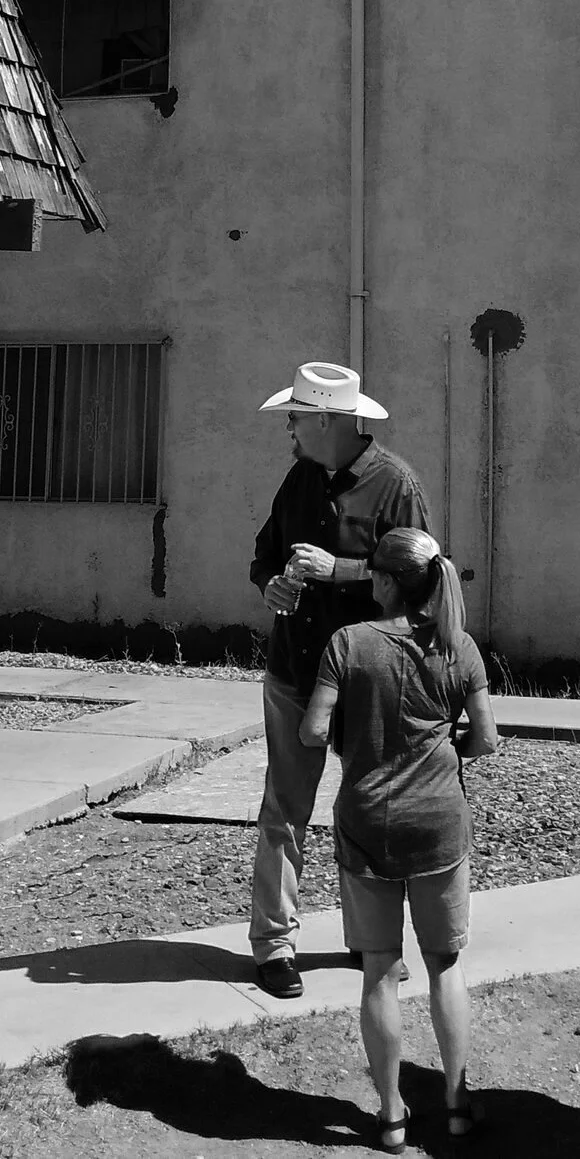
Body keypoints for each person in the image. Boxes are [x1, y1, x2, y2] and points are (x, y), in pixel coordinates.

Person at [302, 528, 496, 1151]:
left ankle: (390, 1116)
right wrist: (445, 750)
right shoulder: (458, 646)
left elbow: (312, 730)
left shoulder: (347, 643)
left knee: (380, 971)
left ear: (383, 582)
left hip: (365, 825)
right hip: (440, 823)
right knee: (445, 966)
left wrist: (346, 742)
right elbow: (486, 740)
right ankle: (457, 1103)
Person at [248, 361, 433, 1000]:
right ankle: (274, 946)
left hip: (368, 680)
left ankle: (372, 940)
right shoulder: (298, 479)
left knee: (370, 811)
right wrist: (270, 583)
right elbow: (264, 555)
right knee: (284, 811)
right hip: (295, 670)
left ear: (327, 419)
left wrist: (342, 570)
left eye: (296, 418)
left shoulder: (397, 485)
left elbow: (425, 576)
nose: (290, 431)